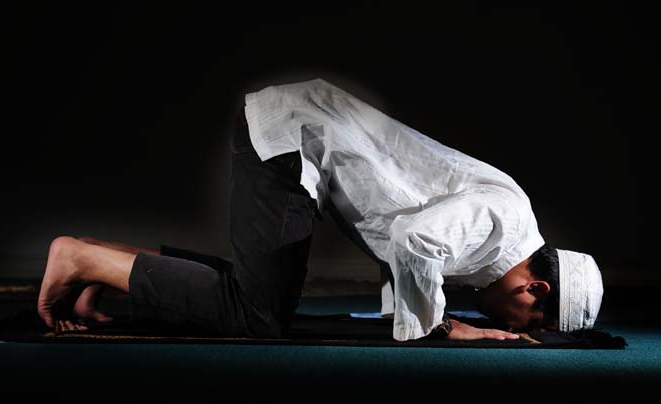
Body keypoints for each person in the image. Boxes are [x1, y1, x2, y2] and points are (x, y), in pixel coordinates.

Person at [37, 78, 604, 341]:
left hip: (297, 133)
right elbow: (411, 241)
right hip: (294, 141)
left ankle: (99, 264)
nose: (506, 325)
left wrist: (400, 313)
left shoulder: (500, 238)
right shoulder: (500, 224)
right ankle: (80, 261)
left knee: (262, 293)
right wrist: (439, 328)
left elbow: (408, 245)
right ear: (538, 290)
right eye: (523, 321)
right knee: (257, 316)